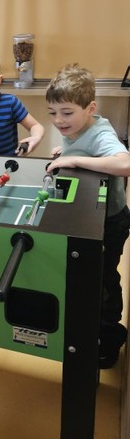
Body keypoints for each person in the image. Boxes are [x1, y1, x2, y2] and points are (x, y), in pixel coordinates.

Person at [45, 65, 130, 368]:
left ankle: (110, 338)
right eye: (52, 112)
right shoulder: (78, 129)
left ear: (90, 108)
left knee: (105, 279)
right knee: (88, 276)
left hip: (111, 222)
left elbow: (125, 164)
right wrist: (66, 151)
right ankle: (88, 329)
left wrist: (75, 159)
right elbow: (82, 144)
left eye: (67, 113)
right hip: (91, 219)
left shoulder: (100, 132)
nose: (59, 120)